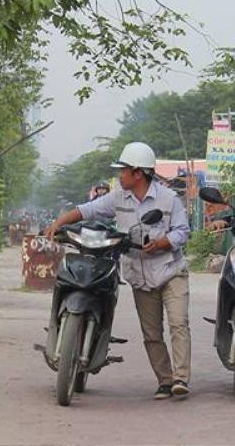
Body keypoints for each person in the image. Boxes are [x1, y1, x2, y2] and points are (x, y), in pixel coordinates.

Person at [46, 142, 192, 400]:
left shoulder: (169, 199)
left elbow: (182, 231)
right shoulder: (117, 197)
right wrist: (58, 222)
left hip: (170, 270)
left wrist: (162, 242)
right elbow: (86, 210)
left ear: (138, 173)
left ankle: (180, 378)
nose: (119, 175)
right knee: (151, 333)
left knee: (178, 324)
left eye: (123, 170)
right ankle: (165, 381)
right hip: (139, 273)